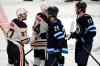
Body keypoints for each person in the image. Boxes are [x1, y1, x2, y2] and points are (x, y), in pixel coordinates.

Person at [69, 1, 96, 66]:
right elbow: (79, 31)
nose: (75, 9)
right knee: (79, 62)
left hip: (86, 44)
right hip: (79, 44)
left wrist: (84, 39)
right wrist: (73, 35)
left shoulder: (87, 17)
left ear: (80, 9)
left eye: (76, 8)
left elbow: (93, 31)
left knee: (82, 63)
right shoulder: (79, 18)